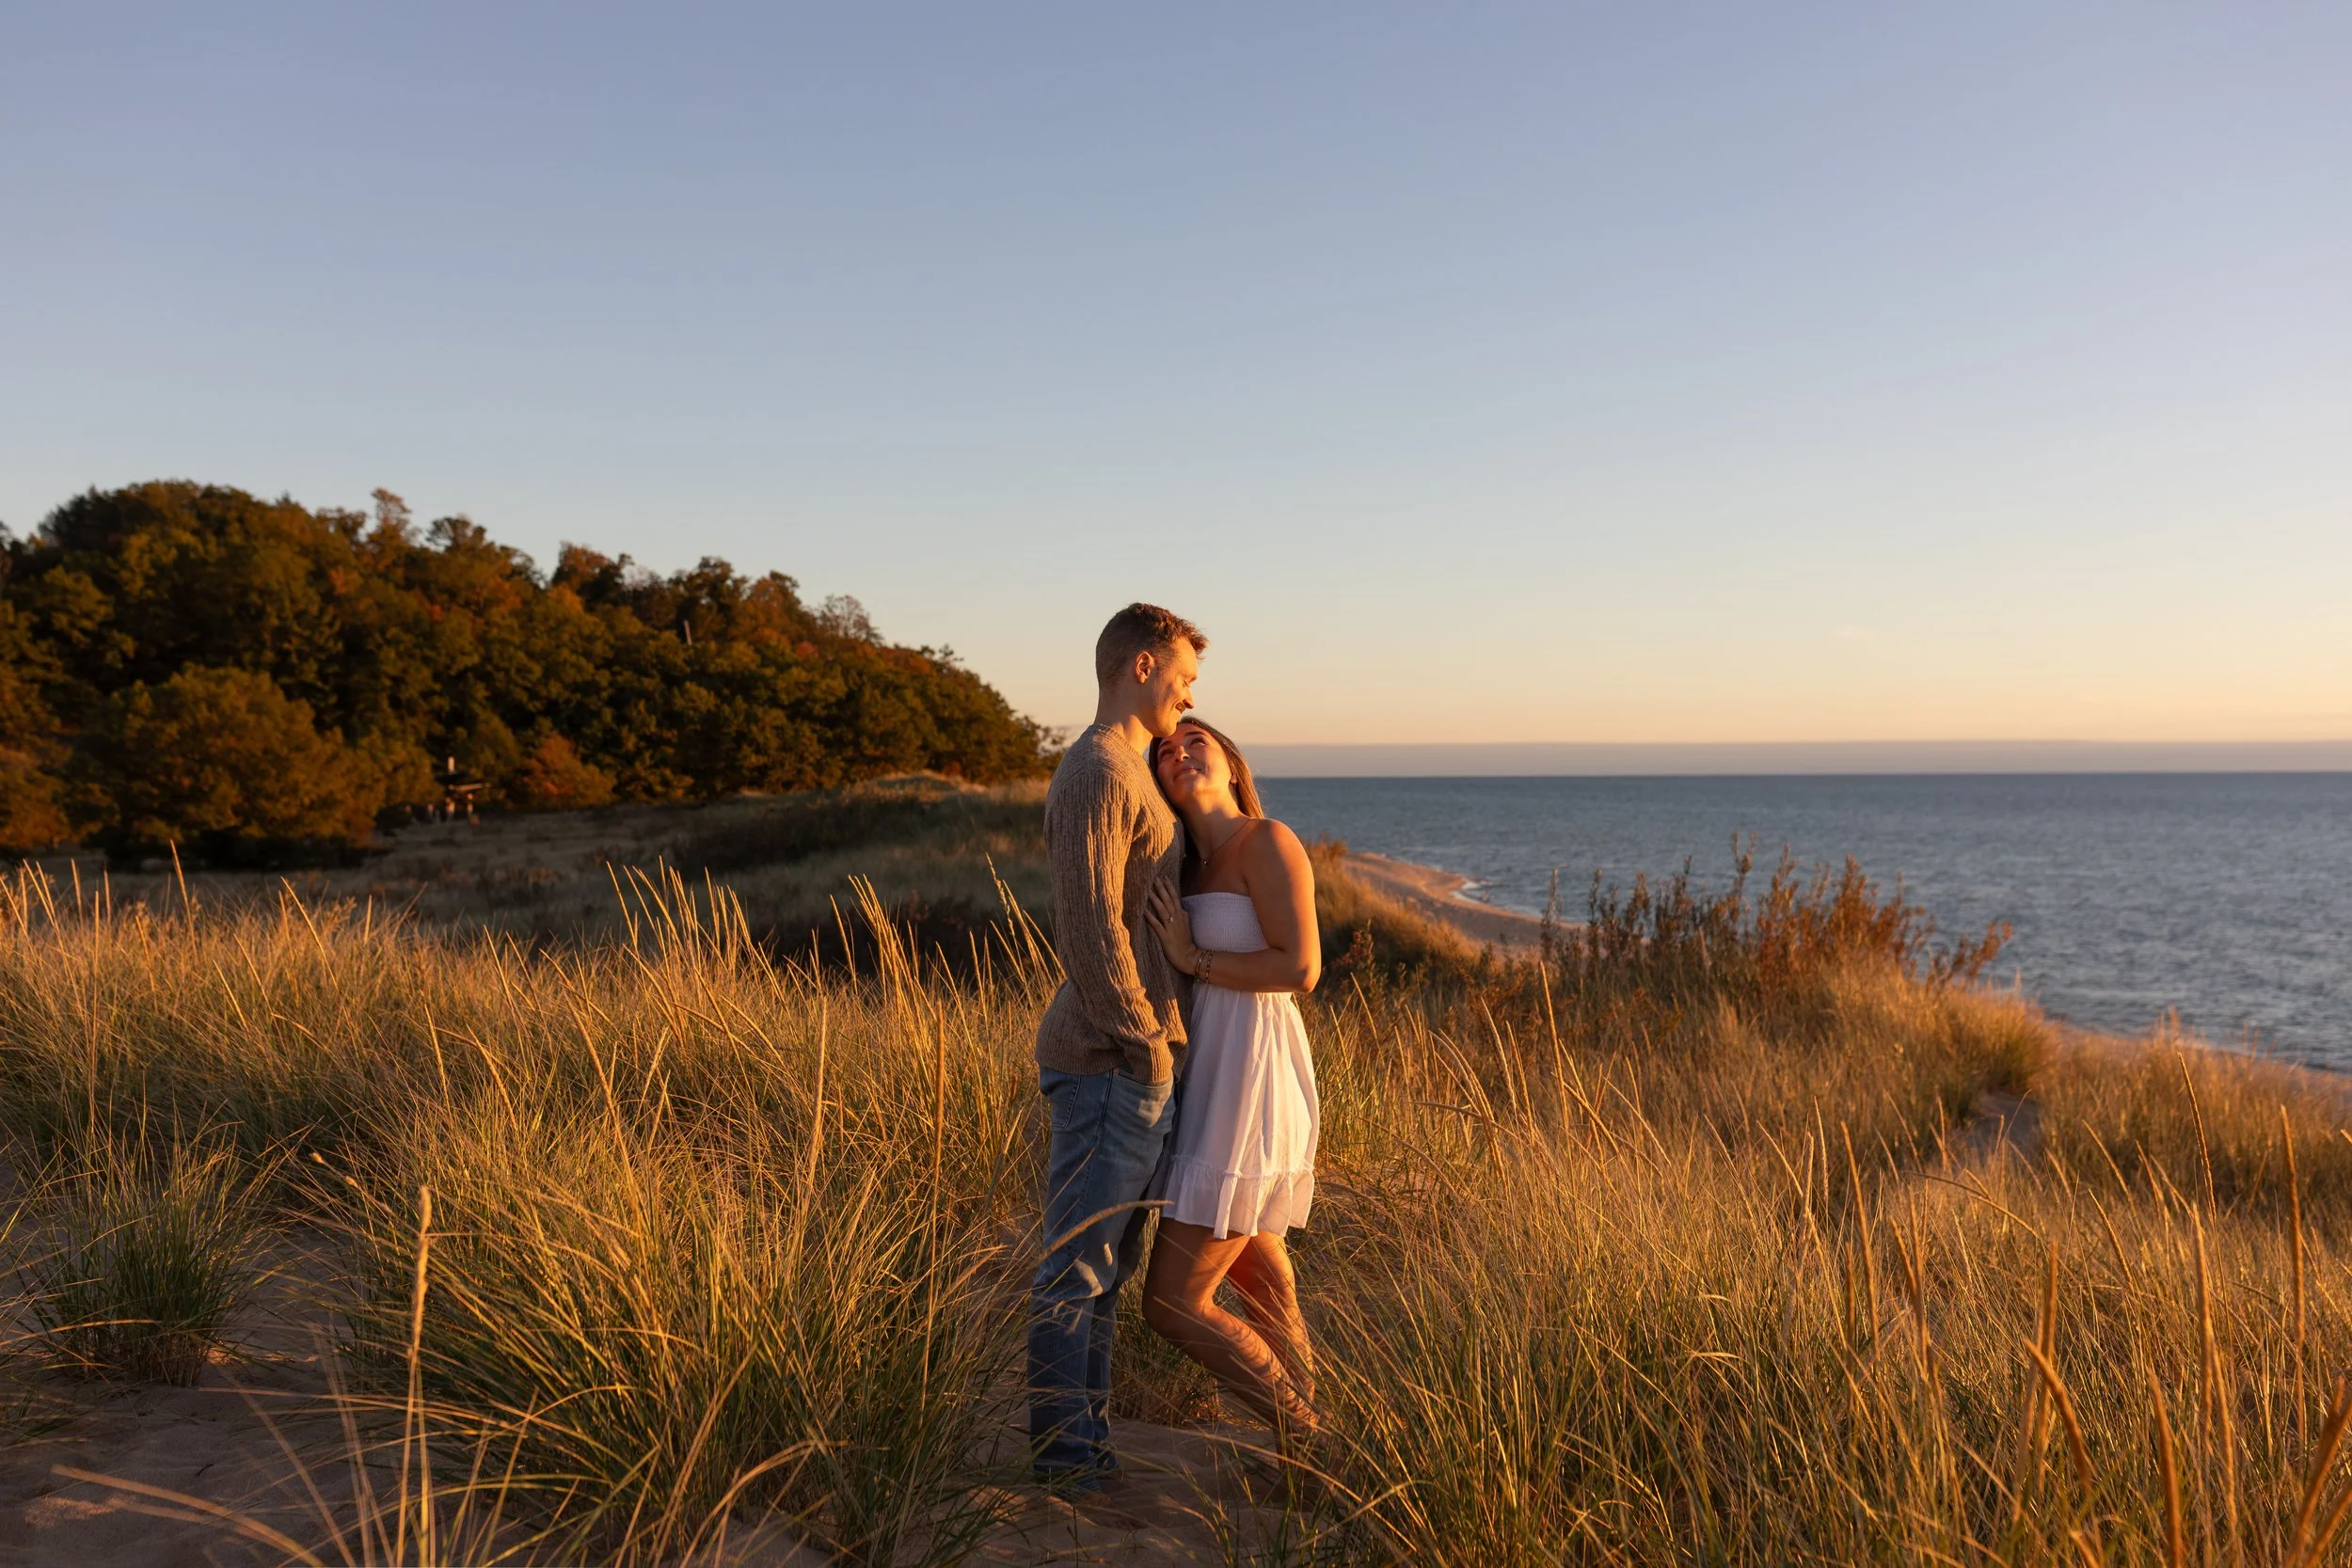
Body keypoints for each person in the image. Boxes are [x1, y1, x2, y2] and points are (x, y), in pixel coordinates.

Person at [1027, 602, 1208, 1497]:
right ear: (1141, 665)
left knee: (1105, 1274)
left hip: (1130, 1062)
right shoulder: (1099, 769)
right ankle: (1067, 1470)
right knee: (1077, 1272)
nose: (1189, 695)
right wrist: (1145, 1045)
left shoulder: (1132, 768)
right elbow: (1090, 929)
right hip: (1107, 1062)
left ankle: (1088, 1455)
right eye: (1183, 677)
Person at [1138, 717, 1322, 1449]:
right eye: (1165, 750)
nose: (1178, 752)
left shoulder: (1265, 840)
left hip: (1251, 1078)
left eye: (1195, 742)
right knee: (1259, 1271)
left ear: (1231, 763)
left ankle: (1309, 1436)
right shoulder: (1181, 865)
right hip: (1205, 1075)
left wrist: (1194, 958)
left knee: (1172, 1302)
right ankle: (1309, 1456)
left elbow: (1300, 967)